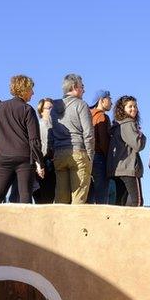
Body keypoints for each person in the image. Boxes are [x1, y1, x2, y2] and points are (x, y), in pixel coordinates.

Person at [0, 75, 44, 203]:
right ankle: (24, 223)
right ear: (24, 90)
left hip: (3, 156)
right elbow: (34, 140)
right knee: (25, 196)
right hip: (24, 158)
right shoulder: (28, 109)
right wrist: (40, 162)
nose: (33, 93)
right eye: (31, 89)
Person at [50, 74, 94, 204]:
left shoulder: (53, 109)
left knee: (61, 199)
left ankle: (59, 224)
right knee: (78, 198)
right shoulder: (81, 105)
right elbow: (88, 133)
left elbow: (50, 131)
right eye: (82, 86)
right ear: (74, 87)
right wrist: (90, 155)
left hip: (59, 153)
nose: (84, 90)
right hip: (78, 152)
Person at [106, 95, 146, 207]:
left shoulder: (117, 125)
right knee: (137, 202)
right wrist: (141, 136)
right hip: (128, 169)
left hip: (117, 169)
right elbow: (138, 145)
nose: (134, 109)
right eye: (130, 106)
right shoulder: (128, 124)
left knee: (120, 202)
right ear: (123, 109)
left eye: (135, 106)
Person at [88, 89, 112, 204]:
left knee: (90, 196)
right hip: (100, 158)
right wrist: (109, 158)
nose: (111, 102)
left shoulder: (88, 115)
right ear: (102, 100)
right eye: (109, 99)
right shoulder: (102, 117)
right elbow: (104, 141)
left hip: (88, 158)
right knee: (102, 197)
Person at [34, 98, 57, 204]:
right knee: (45, 196)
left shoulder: (56, 125)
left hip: (55, 162)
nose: (51, 110)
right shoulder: (39, 125)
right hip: (44, 162)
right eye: (49, 108)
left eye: (53, 107)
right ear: (41, 110)